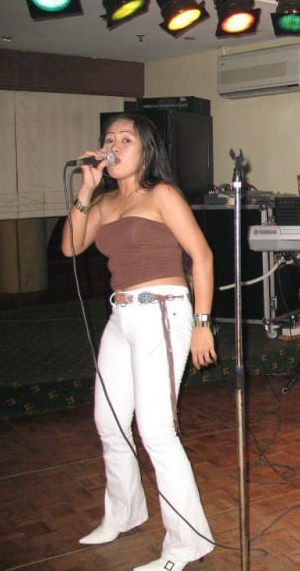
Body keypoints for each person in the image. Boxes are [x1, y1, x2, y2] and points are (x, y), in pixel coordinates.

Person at [61, 113, 215, 570]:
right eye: (109, 138)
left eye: (125, 139)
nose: (114, 145)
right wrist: (86, 190)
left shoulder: (161, 194)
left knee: (156, 432)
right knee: (109, 421)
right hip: (121, 315)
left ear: (146, 150)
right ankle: (124, 512)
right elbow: (71, 246)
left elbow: (202, 255)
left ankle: (188, 543)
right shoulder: (105, 202)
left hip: (163, 311)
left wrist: (202, 322)